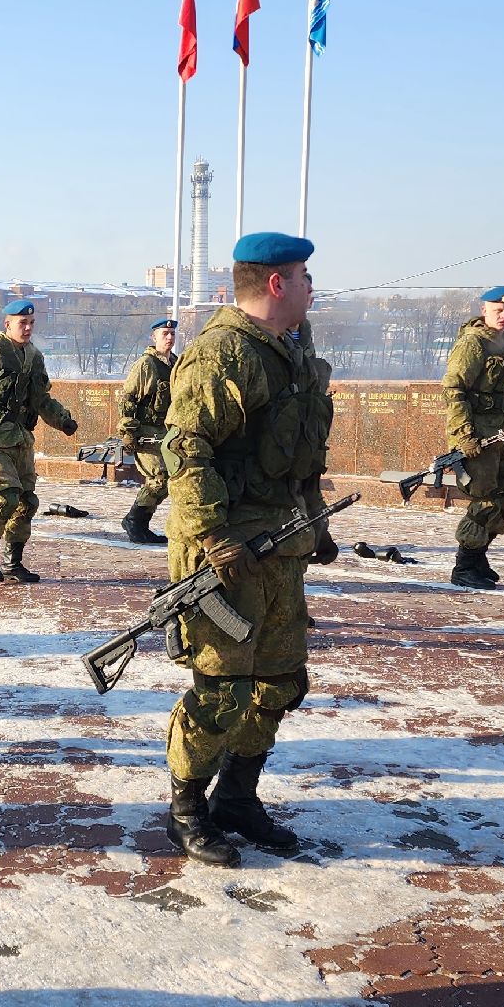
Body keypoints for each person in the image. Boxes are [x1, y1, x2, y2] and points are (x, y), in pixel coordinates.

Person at [158, 232, 336, 867]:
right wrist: (210, 537)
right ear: (277, 284)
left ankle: (238, 796)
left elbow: (301, 450)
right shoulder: (223, 354)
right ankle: (186, 808)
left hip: (280, 543)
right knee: (222, 687)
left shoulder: (291, 348)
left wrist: (316, 522)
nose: (314, 286)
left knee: (281, 679)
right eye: (306, 276)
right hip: (226, 549)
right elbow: (186, 451)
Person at [0, 299, 80, 582]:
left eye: (31, 323)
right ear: (7, 323)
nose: (27, 328)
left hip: (21, 440)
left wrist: (62, 419)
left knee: (27, 502)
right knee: (6, 497)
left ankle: (13, 561)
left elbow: (40, 399)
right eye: (22, 323)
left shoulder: (34, 357)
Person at [443, 286, 504, 589]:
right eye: (497, 310)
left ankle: (478, 554)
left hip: (503, 431)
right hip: (478, 435)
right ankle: (465, 565)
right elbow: (453, 390)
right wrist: (463, 435)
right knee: (484, 500)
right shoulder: (473, 344)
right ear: (484, 311)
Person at [116, 317, 179, 544]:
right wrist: (128, 432)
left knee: (171, 477)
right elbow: (128, 399)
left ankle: (137, 520)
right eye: (165, 334)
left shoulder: (175, 364)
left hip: (168, 432)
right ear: (154, 338)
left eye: (172, 334)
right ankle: (135, 521)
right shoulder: (147, 364)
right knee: (160, 477)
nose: (169, 338)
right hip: (147, 431)